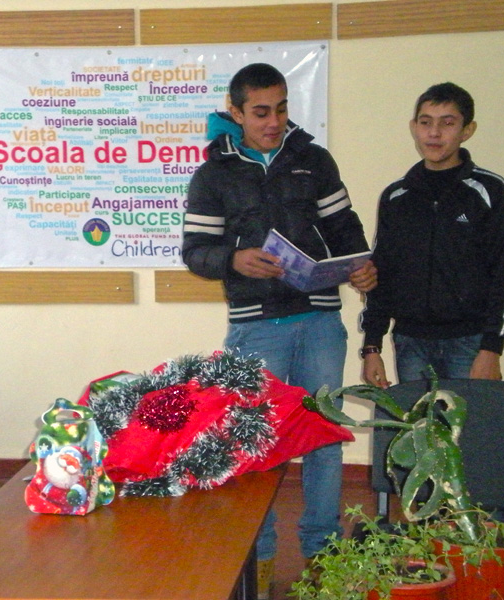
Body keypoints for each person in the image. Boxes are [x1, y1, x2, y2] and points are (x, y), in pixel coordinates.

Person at [182, 63, 377, 600]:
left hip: (320, 320)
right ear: (236, 112)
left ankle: (322, 553)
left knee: (323, 438)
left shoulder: (314, 159)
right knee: (257, 443)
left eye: (282, 108)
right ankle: (261, 557)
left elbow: (344, 227)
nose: (274, 122)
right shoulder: (213, 174)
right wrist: (233, 259)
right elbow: (195, 252)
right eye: (261, 112)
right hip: (256, 325)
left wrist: (362, 265)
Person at [360, 82, 504, 389]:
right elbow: (381, 274)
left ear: (467, 130)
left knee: (469, 421)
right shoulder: (396, 196)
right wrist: (372, 346)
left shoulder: (490, 191)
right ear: (414, 128)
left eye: (447, 123)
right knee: (416, 422)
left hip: (470, 343)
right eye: (425, 123)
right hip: (410, 343)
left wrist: (492, 348)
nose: (434, 133)